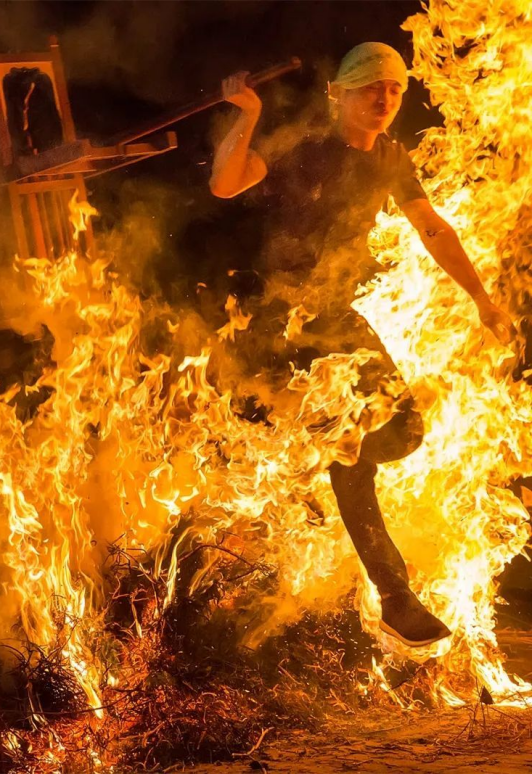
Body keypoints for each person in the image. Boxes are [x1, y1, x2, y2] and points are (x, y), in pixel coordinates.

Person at [209, 42, 516, 648]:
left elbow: (433, 227)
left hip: (332, 319)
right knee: (351, 455)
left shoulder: (392, 159)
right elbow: (223, 184)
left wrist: (481, 299)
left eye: (396, 89)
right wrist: (245, 115)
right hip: (277, 321)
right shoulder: (303, 149)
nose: (384, 99)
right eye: (371, 87)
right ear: (339, 94)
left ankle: (316, 459)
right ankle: (395, 597)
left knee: (399, 433)